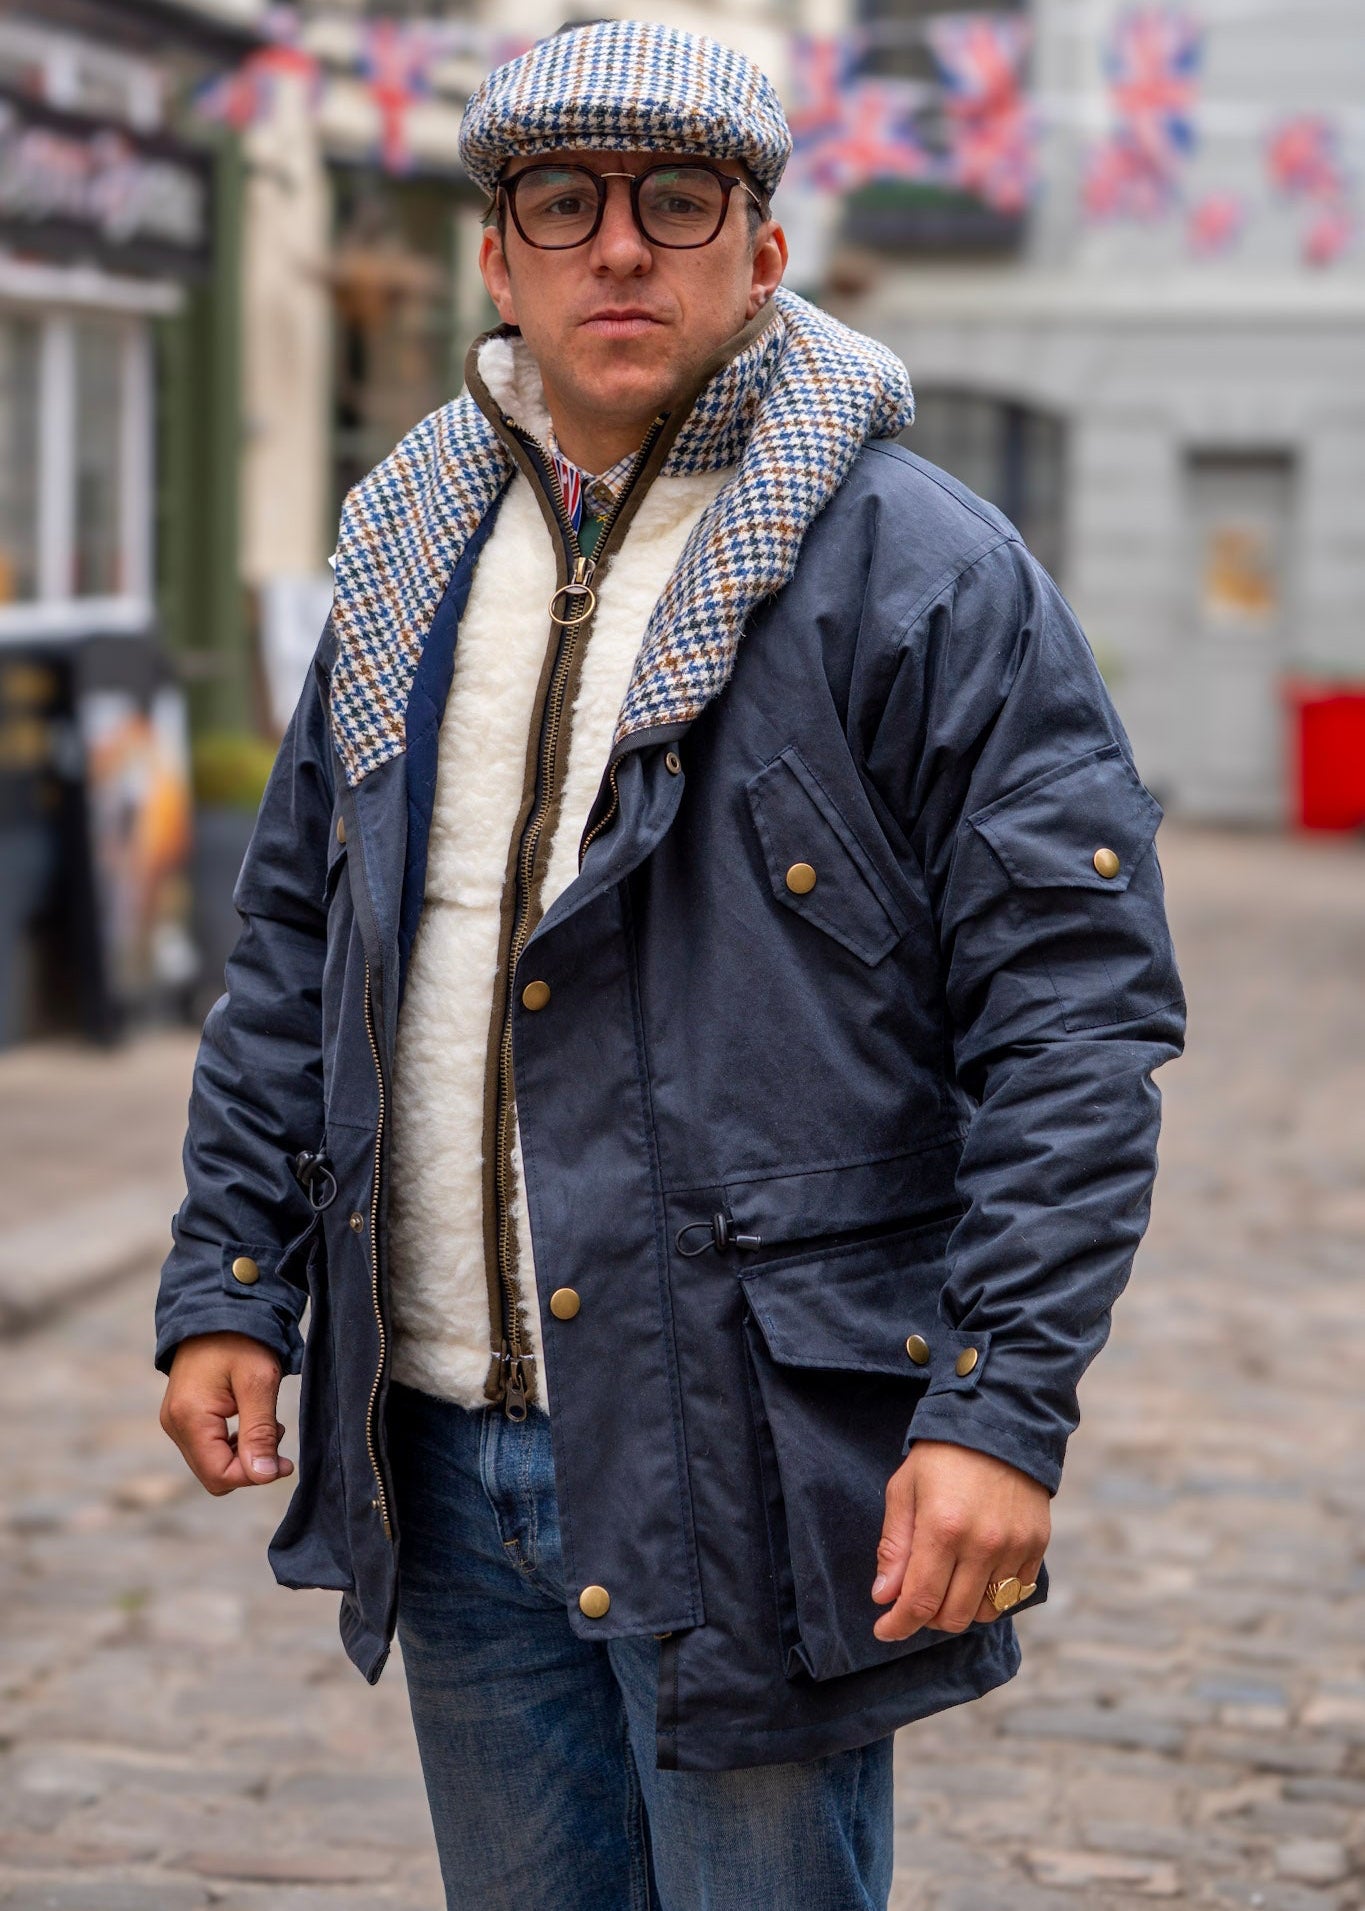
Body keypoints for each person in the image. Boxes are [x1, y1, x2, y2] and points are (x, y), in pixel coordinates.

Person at [155, 19, 1185, 1909]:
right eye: (564, 203)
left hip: (747, 1448)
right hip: (445, 1450)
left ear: (763, 249)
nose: (617, 248)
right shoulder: (401, 552)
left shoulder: (922, 573)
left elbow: (1073, 1018)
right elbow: (299, 943)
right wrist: (232, 1279)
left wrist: (998, 1408)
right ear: (500, 256)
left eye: (676, 202)